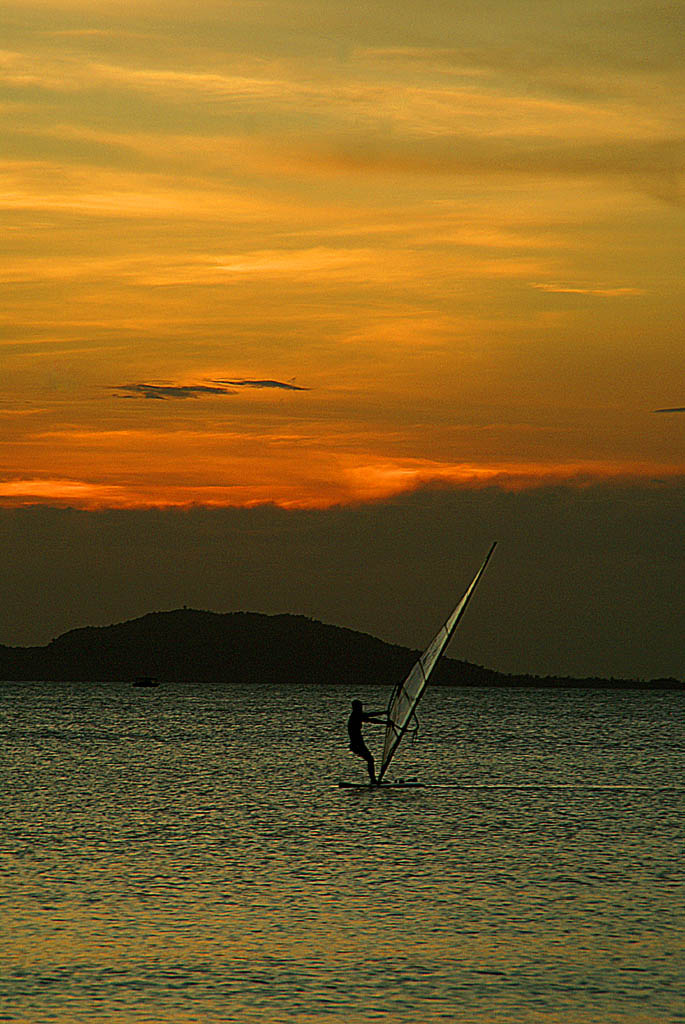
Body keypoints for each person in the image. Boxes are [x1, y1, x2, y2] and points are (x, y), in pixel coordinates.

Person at [347, 699, 387, 785]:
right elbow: (371, 719)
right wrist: (385, 721)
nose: (361, 708)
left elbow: (369, 716)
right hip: (356, 744)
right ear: (355, 708)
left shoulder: (357, 715)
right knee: (370, 760)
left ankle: (373, 780)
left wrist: (384, 713)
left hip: (358, 743)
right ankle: (373, 780)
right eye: (359, 707)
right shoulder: (355, 716)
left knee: (370, 760)